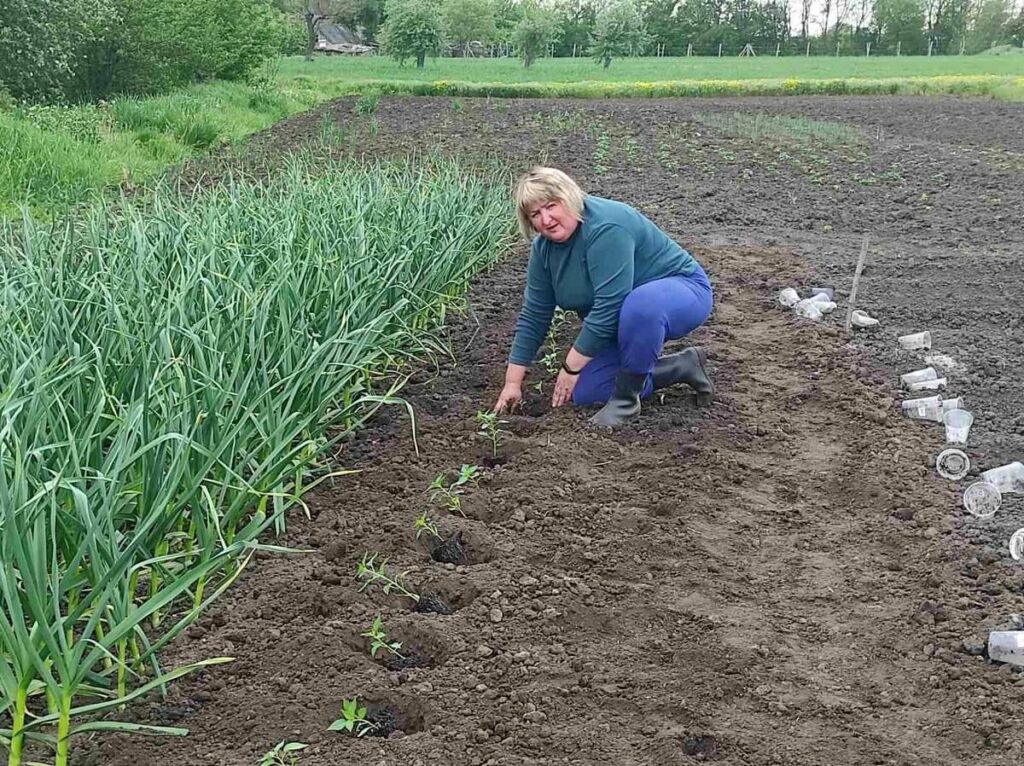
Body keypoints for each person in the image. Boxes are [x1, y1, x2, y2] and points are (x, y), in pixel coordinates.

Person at [492, 166, 714, 427]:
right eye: (535, 214)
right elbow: (534, 315)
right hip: (621, 318)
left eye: (551, 206)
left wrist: (570, 367)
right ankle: (682, 366)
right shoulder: (544, 250)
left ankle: (626, 401)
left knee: (641, 305)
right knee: (590, 392)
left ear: (569, 198)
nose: (546, 219)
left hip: (680, 293)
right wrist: (512, 383)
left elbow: (611, 305)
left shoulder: (606, 226)